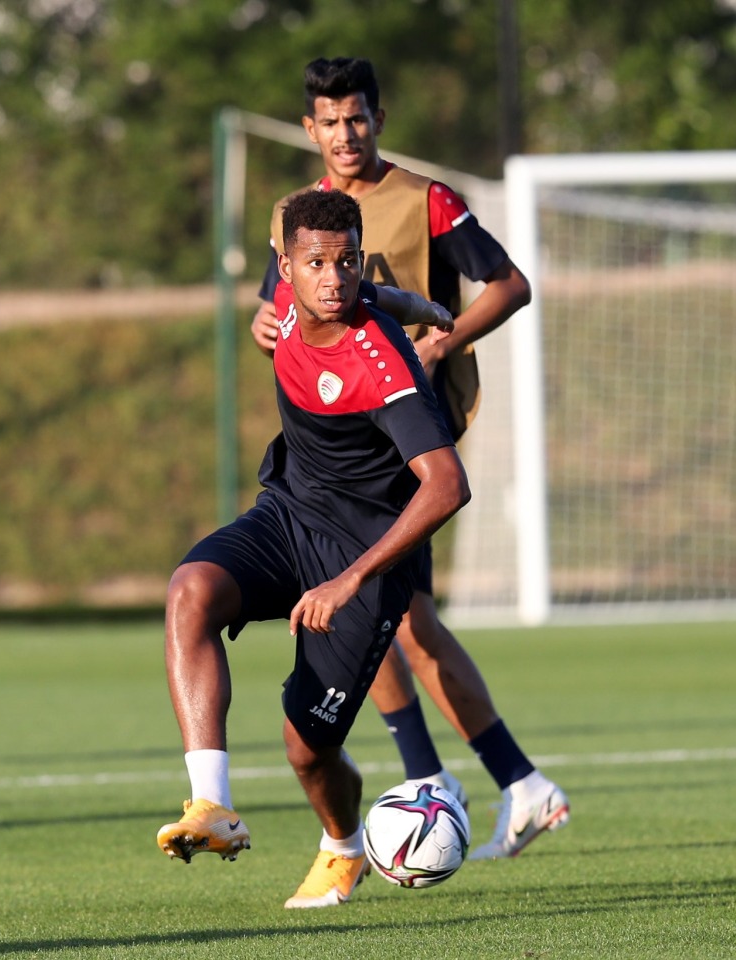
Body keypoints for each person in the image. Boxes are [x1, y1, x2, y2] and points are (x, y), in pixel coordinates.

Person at [251, 57, 569, 860]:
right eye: (331, 121)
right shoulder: (302, 215)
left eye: (358, 118)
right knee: (402, 623)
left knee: (384, 617)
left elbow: (510, 283)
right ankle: (499, 782)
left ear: (378, 120)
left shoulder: (425, 199)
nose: (346, 134)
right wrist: (264, 325)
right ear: (310, 129)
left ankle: (464, 780)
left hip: (406, 443)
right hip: (341, 447)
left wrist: (443, 339)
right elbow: (277, 306)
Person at [157, 188, 470, 909]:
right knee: (190, 591)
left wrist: (350, 580)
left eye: (348, 263)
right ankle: (212, 807)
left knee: (308, 752)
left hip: (361, 565)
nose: (335, 279)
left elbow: (447, 484)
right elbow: (378, 294)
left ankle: (342, 846)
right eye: (318, 263)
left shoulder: (380, 363)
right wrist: (422, 308)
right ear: (286, 267)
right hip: (288, 516)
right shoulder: (291, 301)